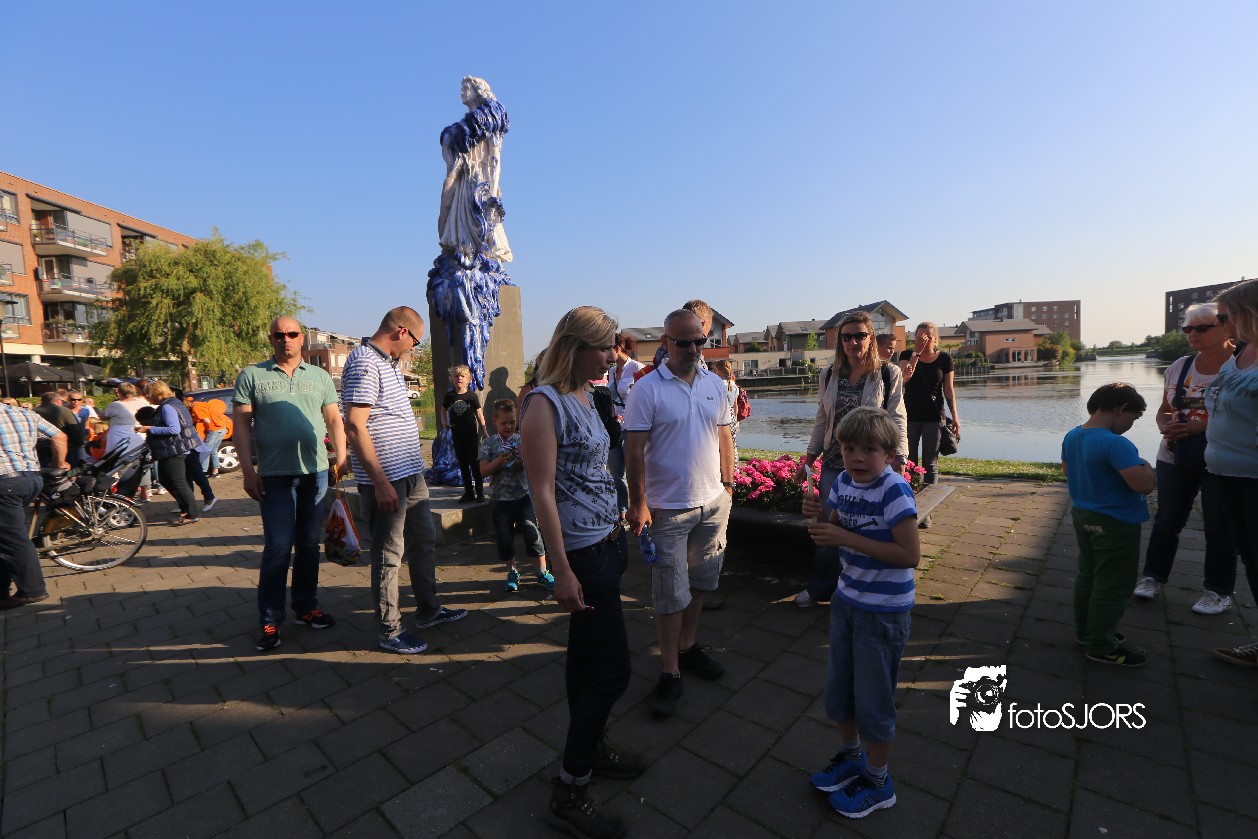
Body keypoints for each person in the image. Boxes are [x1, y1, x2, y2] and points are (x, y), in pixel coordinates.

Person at [520, 306, 643, 839]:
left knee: (586, 659)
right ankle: (570, 788)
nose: (614, 355)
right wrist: (561, 569)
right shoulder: (543, 404)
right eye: (606, 345)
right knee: (613, 670)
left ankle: (591, 748)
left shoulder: (589, 396)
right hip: (583, 555)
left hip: (608, 542)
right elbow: (542, 493)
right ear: (575, 347)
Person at [801, 407, 919, 819]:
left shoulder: (894, 490)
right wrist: (816, 518)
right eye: (849, 448)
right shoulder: (843, 483)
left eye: (869, 449)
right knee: (840, 691)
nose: (857, 457)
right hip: (847, 600)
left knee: (874, 701)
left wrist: (843, 536)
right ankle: (852, 756)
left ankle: (878, 781)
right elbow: (830, 533)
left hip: (883, 612)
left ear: (889, 454)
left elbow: (909, 554)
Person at [625, 308, 736, 718]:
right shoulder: (646, 390)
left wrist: (728, 486)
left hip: (712, 503)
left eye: (699, 341)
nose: (693, 349)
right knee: (670, 593)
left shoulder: (714, 384)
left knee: (703, 581)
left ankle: (688, 647)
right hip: (667, 508)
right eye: (684, 342)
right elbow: (633, 452)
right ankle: (669, 670)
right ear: (666, 342)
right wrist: (638, 503)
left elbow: (724, 436)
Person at [343, 306, 467, 655]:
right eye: (415, 341)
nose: (414, 347)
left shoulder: (391, 364)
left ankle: (429, 610)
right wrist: (379, 482)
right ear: (401, 331)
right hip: (387, 479)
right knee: (388, 555)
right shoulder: (365, 362)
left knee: (423, 542)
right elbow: (355, 425)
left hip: (411, 475)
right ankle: (390, 630)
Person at [233, 317, 347, 652]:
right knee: (278, 547)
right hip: (274, 476)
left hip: (315, 472)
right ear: (271, 339)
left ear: (302, 338)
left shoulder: (320, 376)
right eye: (279, 334)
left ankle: (306, 607)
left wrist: (342, 456)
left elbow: (334, 419)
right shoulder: (252, 375)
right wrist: (248, 471)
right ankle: (270, 618)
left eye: (292, 334)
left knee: (309, 544)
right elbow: (241, 426)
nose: (286, 339)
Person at [795, 311, 909, 608]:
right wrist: (809, 459)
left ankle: (862, 588)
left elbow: (897, 416)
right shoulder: (829, 374)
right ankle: (821, 588)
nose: (853, 342)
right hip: (835, 462)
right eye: (847, 337)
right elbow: (822, 419)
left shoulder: (888, 373)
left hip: (872, 464)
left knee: (868, 526)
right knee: (827, 528)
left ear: (871, 338)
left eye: (860, 335)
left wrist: (899, 457)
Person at [1133, 303, 1236, 614]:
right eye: (1188, 328)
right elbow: (1166, 408)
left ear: (1226, 327)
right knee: (1166, 520)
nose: (1193, 334)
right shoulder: (1180, 366)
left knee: (1219, 525)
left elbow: (1245, 415)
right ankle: (1152, 576)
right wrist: (1166, 426)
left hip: (1222, 457)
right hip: (1174, 454)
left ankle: (1218, 591)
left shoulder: (1242, 365)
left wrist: (1197, 427)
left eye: (1202, 327)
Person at [1062, 382, 1154, 668]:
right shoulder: (1116, 444)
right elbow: (1143, 486)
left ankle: (1087, 632)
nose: (1130, 425)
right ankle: (1102, 646)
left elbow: (1067, 471)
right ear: (1121, 409)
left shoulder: (1073, 435)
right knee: (1114, 583)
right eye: (1133, 418)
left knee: (1089, 576)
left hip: (1084, 516)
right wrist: (1147, 468)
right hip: (1116, 522)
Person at [1206, 281, 1258, 667]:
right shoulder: (1241, 353)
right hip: (1226, 474)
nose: (1223, 325)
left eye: (1226, 316)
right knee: (1251, 558)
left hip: (1255, 479)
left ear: (1250, 313)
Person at [479, 399, 553, 591]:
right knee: (504, 538)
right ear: (494, 421)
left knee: (532, 533)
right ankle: (512, 571)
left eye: (512, 422)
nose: (508, 426)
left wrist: (522, 461)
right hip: (499, 500)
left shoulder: (522, 440)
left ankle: (542, 572)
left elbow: (535, 465)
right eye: (504, 423)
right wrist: (498, 461)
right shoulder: (489, 443)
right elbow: (483, 471)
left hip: (524, 497)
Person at [0, 401, 68, 609]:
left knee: (13, 539)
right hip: (30, 478)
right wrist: (59, 464)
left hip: (5, 481)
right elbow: (59, 436)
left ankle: (33, 590)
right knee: (6, 535)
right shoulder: (23, 413)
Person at [898, 322, 959, 493]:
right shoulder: (907, 355)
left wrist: (955, 416)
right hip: (909, 417)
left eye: (928, 338)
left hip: (933, 417)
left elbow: (949, 390)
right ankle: (908, 498)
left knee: (930, 462)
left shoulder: (944, 359)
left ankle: (929, 503)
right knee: (908, 461)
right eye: (919, 337)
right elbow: (903, 378)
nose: (924, 341)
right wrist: (916, 353)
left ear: (936, 339)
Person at [137, 381, 207, 526]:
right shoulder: (174, 403)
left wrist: (149, 428)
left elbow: (174, 429)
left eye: (147, 395)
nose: (146, 398)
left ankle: (192, 513)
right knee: (166, 479)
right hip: (175, 448)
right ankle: (185, 509)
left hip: (174, 449)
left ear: (156, 393)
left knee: (178, 482)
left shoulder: (167, 407)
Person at [606, 334, 642, 515]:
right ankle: (622, 511)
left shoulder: (637, 368)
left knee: (634, 471)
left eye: (607, 349)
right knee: (616, 472)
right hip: (615, 426)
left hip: (632, 427)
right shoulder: (612, 371)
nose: (605, 353)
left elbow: (644, 399)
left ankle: (639, 507)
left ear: (618, 348)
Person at [442, 364, 486, 504]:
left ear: (468, 379)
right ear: (452, 379)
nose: (459, 378)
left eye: (462, 376)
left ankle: (480, 492)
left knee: (474, 462)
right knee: (462, 463)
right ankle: (468, 492)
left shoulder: (471, 396)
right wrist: (444, 421)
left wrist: (484, 430)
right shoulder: (450, 396)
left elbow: (479, 414)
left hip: (470, 433)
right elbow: (443, 409)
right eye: (456, 376)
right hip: (457, 433)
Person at [34, 390, 83, 467]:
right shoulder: (64, 410)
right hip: (63, 448)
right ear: (58, 401)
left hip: (39, 448)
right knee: (67, 471)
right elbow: (75, 429)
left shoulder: (32, 412)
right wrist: (79, 443)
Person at [709, 358, 742, 464]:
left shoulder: (718, 384)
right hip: (732, 416)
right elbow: (735, 406)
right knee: (732, 443)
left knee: (720, 443)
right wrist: (735, 420)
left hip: (722, 416)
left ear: (719, 370)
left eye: (715, 370)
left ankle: (721, 466)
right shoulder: (734, 386)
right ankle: (734, 465)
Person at [189, 395, 231, 476]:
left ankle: (202, 471)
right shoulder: (202, 405)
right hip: (222, 427)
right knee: (213, 450)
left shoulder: (196, 408)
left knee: (205, 450)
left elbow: (207, 421)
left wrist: (200, 421)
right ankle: (215, 471)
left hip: (214, 429)